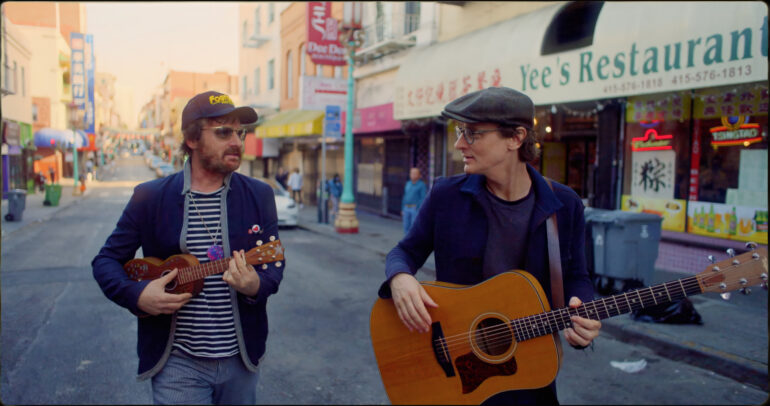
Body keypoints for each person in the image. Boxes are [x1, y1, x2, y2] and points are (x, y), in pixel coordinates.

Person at [378, 87, 601, 405]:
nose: (459, 144)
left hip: (528, 374)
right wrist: (399, 278)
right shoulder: (446, 196)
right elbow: (405, 251)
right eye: (460, 132)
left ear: (516, 138)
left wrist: (583, 314)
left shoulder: (564, 204)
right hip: (455, 372)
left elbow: (577, 274)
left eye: (472, 133)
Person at [92, 90, 284, 405]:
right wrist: (137, 295)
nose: (236, 140)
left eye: (240, 132)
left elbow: (273, 263)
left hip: (241, 360)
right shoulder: (150, 197)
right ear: (192, 139)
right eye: (224, 132)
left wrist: (256, 285)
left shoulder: (259, 195)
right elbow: (106, 261)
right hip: (177, 362)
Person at [400, 167, 427, 234]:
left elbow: (423, 198)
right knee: (406, 227)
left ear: (419, 175)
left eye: (415, 173)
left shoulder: (422, 185)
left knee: (414, 228)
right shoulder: (408, 183)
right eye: (411, 173)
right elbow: (405, 196)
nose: (413, 175)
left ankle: (413, 243)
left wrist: (418, 209)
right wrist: (402, 208)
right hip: (406, 208)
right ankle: (407, 243)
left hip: (414, 209)